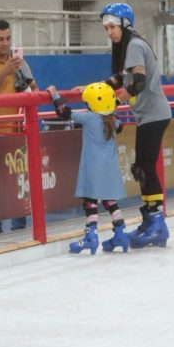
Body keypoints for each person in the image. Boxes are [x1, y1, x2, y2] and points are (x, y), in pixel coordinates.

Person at [88, 3, 172, 249]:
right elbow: (119, 79)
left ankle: (156, 224)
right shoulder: (128, 46)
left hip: (154, 114)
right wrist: (95, 89)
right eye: (106, 28)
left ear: (124, 24)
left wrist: (110, 102)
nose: (109, 32)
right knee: (141, 167)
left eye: (112, 27)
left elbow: (137, 83)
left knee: (145, 168)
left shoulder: (134, 45)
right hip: (149, 115)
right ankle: (151, 222)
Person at [47, 83, 129, 254]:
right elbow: (119, 126)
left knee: (90, 201)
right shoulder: (114, 120)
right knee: (109, 200)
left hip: (93, 167)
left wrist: (55, 93)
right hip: (110, 168)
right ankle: (120, 233)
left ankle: (91, 237)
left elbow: (63, 112)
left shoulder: (89, 118)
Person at [0, 19, 36, 234]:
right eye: (0, 39)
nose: (5, 43)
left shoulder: (19, 62)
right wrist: (4, 72)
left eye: (8, 38)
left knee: (17, 186)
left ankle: (20, 231)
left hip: (17, 133)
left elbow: (34, 88)